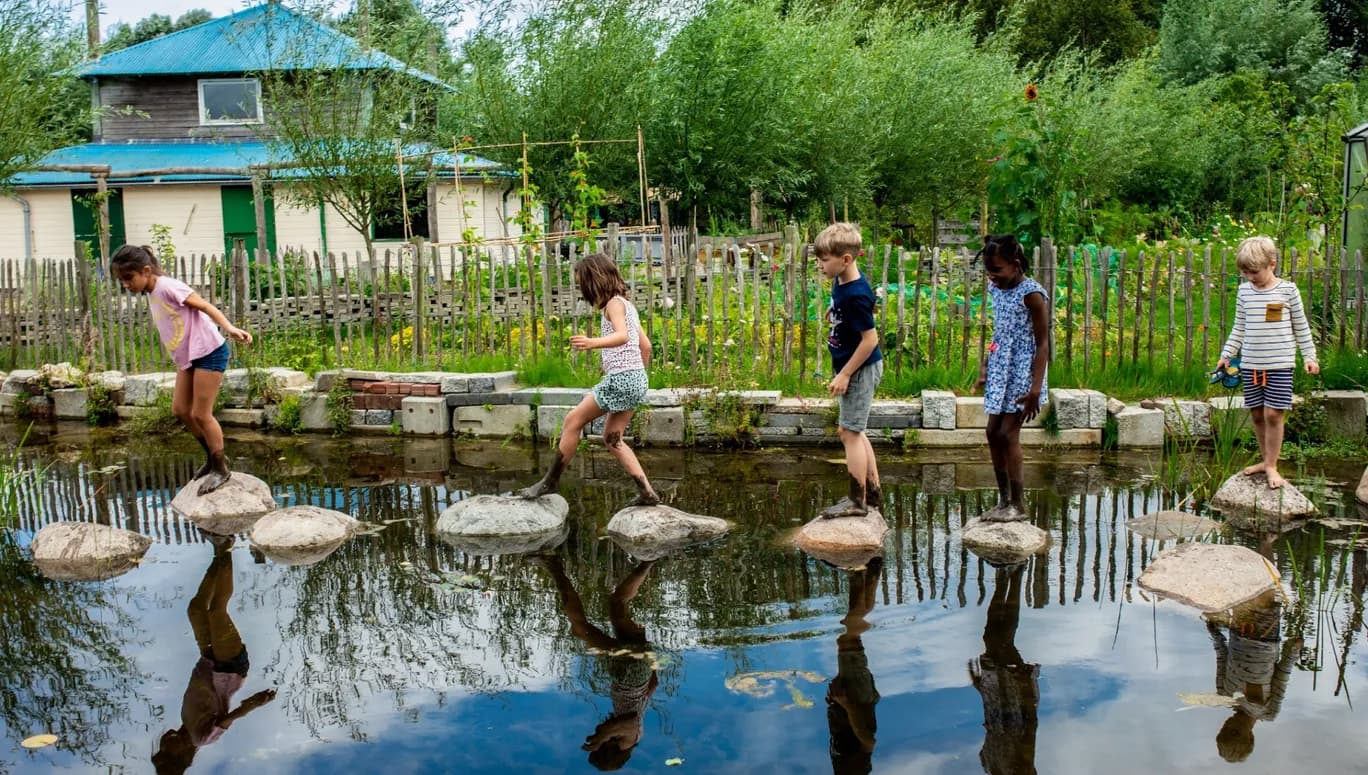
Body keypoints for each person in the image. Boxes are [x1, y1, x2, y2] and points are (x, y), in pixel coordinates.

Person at [518, 253, 659, 506]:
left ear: (594, 280)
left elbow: (623, 336)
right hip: (636, 379)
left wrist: (592, 343)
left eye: (581, 282)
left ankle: (550, 481)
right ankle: (647, 492)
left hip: (623, 379)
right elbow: (645, 346)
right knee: (612, 438)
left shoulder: (614, 305)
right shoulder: (628, 305)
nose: (581, 288)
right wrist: (637, 374)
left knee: (572, 420)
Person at [111, 245, 253, 495]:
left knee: (201, 414)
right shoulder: (152, 290)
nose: (125, 284)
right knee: (180, 410)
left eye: (128, 278)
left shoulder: (167, 286)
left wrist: (229, 328)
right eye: (121, 280)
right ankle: (211, 457)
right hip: (188, 357)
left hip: (208, 351)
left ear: (145, 271)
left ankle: (221, 468)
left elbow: (205, 306)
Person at [152, 535, 276, 774]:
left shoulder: (188, 726)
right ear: (183, 756)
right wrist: (253, 703)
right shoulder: (201, 739)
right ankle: (226, 549)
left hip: (210, 660)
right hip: (229, 668)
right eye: (168, 752)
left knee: (196, 608)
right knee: (216, 611)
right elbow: (226, 720)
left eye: (161, 749)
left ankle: (218, 554)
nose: (165, 744)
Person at [529, 553, 659, 771]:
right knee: (580, 628)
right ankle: (554, 566)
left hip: (638, 670)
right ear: (607, 754)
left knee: (617, 605)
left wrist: (648, 660)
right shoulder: (628, 741)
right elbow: (631, 722)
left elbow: (654, 686)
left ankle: (649, 561)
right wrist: (602, 736)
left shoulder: (628, 738)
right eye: (600, 749)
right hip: (629, 674)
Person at [1216, 236, 1319, 490]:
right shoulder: (1243, 291)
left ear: (1272, 264)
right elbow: (1239, 327)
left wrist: (1309, 355)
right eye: (1245, 272)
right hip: (1251, 364)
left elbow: (1301, 326)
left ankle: (1272, 465)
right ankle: (1265, 460)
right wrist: (1227, 354)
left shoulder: (1288, 291)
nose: (1250, 277)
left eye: (1254, 272)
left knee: (1273, 413)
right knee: (1256, 413)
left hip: (1280, 364)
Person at [974, 235, 1049, 522]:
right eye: (988, 271)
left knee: (1008, 434)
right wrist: (985, 366)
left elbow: (1043, 344)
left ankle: (1019, 504)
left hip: (1023, 374)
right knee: (992, 433)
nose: (991, 277)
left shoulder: (1032, 295)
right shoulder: (997, 290)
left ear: (1015, 265)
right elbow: (999, 334)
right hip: (1000, 370)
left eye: (997, 270)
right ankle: (1004, 500)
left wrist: (1035, 389)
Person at [816, 222, 884, 518]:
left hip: (859, 367)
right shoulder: (842, 281)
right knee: (855, 430)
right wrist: (835, 313)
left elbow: (870, 340)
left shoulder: (855, 294)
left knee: (849, 433)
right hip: (855, 367)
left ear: (846, 260)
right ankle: (874, 490)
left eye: (824, 260)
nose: (820, 265)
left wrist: (845, 374)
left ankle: (857, 501)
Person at [1205, 593, 1300, 763]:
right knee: (1266, 595)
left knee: (1245, 590)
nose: (1230, 725)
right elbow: (1282, 676)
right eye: (1234, 732)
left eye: (1225, 729)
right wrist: (1292, 652)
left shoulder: (1224, 693)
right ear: (1250, 737)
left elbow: (1221, 655)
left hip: (1238, 630)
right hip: (1266, 635)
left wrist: (1214, 632)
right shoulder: (1268, 711)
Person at [969, 563, 1040, 775]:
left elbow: (988, 738)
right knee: (1000, 639)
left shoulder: (993, 766)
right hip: (1011, 698)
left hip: (998, 702)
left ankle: (1008, 579)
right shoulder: (1020, 765)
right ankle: (1012, 578)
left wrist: (980, 686)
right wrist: (1026, 684)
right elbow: (1031, 728)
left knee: (993, 637)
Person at [826, 557, 882, 774]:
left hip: (858, 695)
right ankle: (864, 574)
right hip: (857, 695)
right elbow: (869, 742)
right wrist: (846, 703)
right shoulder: (858, 759)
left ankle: (865, 573)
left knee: (851, 638)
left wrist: (835, 705)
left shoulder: (847, 759)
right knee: (850, 636)